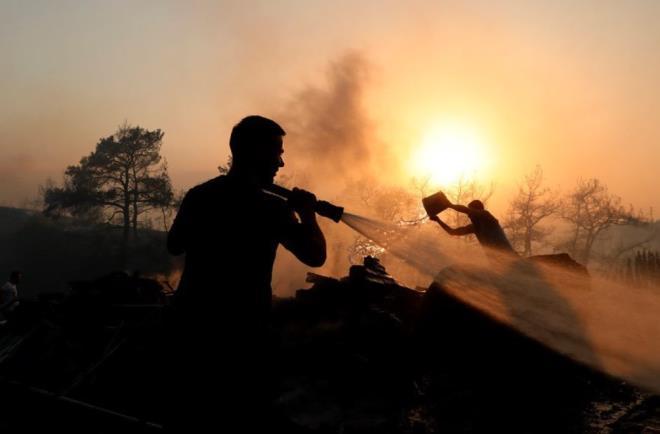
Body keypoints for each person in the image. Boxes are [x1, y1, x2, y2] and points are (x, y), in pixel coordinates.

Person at [165, 115, 326, 432]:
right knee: (239, 419)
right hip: (243, 335)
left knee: (189, 415)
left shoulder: (201, 195)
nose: (281, 162)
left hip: (191, 327)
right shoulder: (271, 208)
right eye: (277, 151)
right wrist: (307, 213)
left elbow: (174, 246)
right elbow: (315, 256)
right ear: (256, 153)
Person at [430, 199, 517, 257]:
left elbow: (466, 210)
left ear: (478, 211)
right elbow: (452, 232)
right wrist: (438, 220)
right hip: (497, 266)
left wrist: (450, 205)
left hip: (511, 258)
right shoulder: (474, 228)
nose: (469, 216)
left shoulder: (487, 216)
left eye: (471, 213)